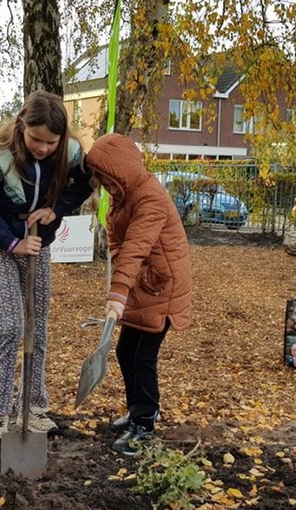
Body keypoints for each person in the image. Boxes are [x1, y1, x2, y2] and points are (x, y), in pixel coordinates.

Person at [0, 90, 94, 444]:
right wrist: (13, 243)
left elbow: (84, 184)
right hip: (2, 247)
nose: (42, 148)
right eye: (36, 139)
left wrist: (56, 209)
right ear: (22, 125)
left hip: (40, 246)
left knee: (37, 327)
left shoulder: (68, 152)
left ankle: (34, 406)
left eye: (50, 142)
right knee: (10, 326)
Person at [83, 132, 193, 456]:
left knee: (143, 356)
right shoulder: (124, 197)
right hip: (144, 285)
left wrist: (117, 294)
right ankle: (137, 411)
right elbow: (119, 245)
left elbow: (135, 248)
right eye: (102, 181)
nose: (106, 187)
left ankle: (145, 425)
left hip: (163, 286)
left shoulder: (150, 198)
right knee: (124, 351)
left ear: (121, 170)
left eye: (108, 179)